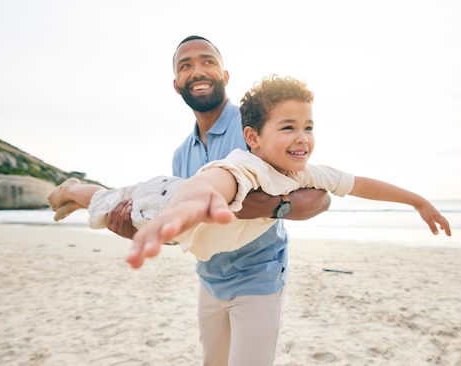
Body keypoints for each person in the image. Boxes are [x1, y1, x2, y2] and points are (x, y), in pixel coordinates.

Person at [105, 36, 330, 366]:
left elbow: (321, 197)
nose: (197, 71)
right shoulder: (182, 154)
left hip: (259, 279)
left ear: (225, 76)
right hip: (209, 280)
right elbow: (188, 228)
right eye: (186, 66)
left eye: (208, 61)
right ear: (176, 84)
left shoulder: (256, 128)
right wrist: (140, 230)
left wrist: (268, 207)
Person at [46, 76, 451, 259]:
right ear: (253, 138)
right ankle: (70, 189)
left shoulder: (306, 172)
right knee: (103, 200)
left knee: (107, 197)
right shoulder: (246, 165)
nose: (302, 138)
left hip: (181, 221)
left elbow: (359, 183)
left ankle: (74, 195)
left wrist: (416, 201)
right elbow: (209, 185)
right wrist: (186, 212)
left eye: (308, 127)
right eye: (288, 127)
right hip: (163, 204)